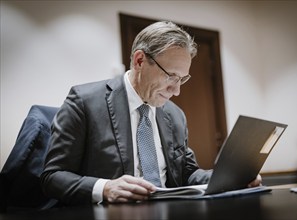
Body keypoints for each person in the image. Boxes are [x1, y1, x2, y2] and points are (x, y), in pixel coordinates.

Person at [41, 21, 261, 205]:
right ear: (139, 61)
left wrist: (230, 178)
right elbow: (52, 177)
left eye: (182, 78)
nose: (176, 90)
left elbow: (186, 174)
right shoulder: (84, 102)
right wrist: (105, 188)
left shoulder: (175, 115)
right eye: (171, 76)